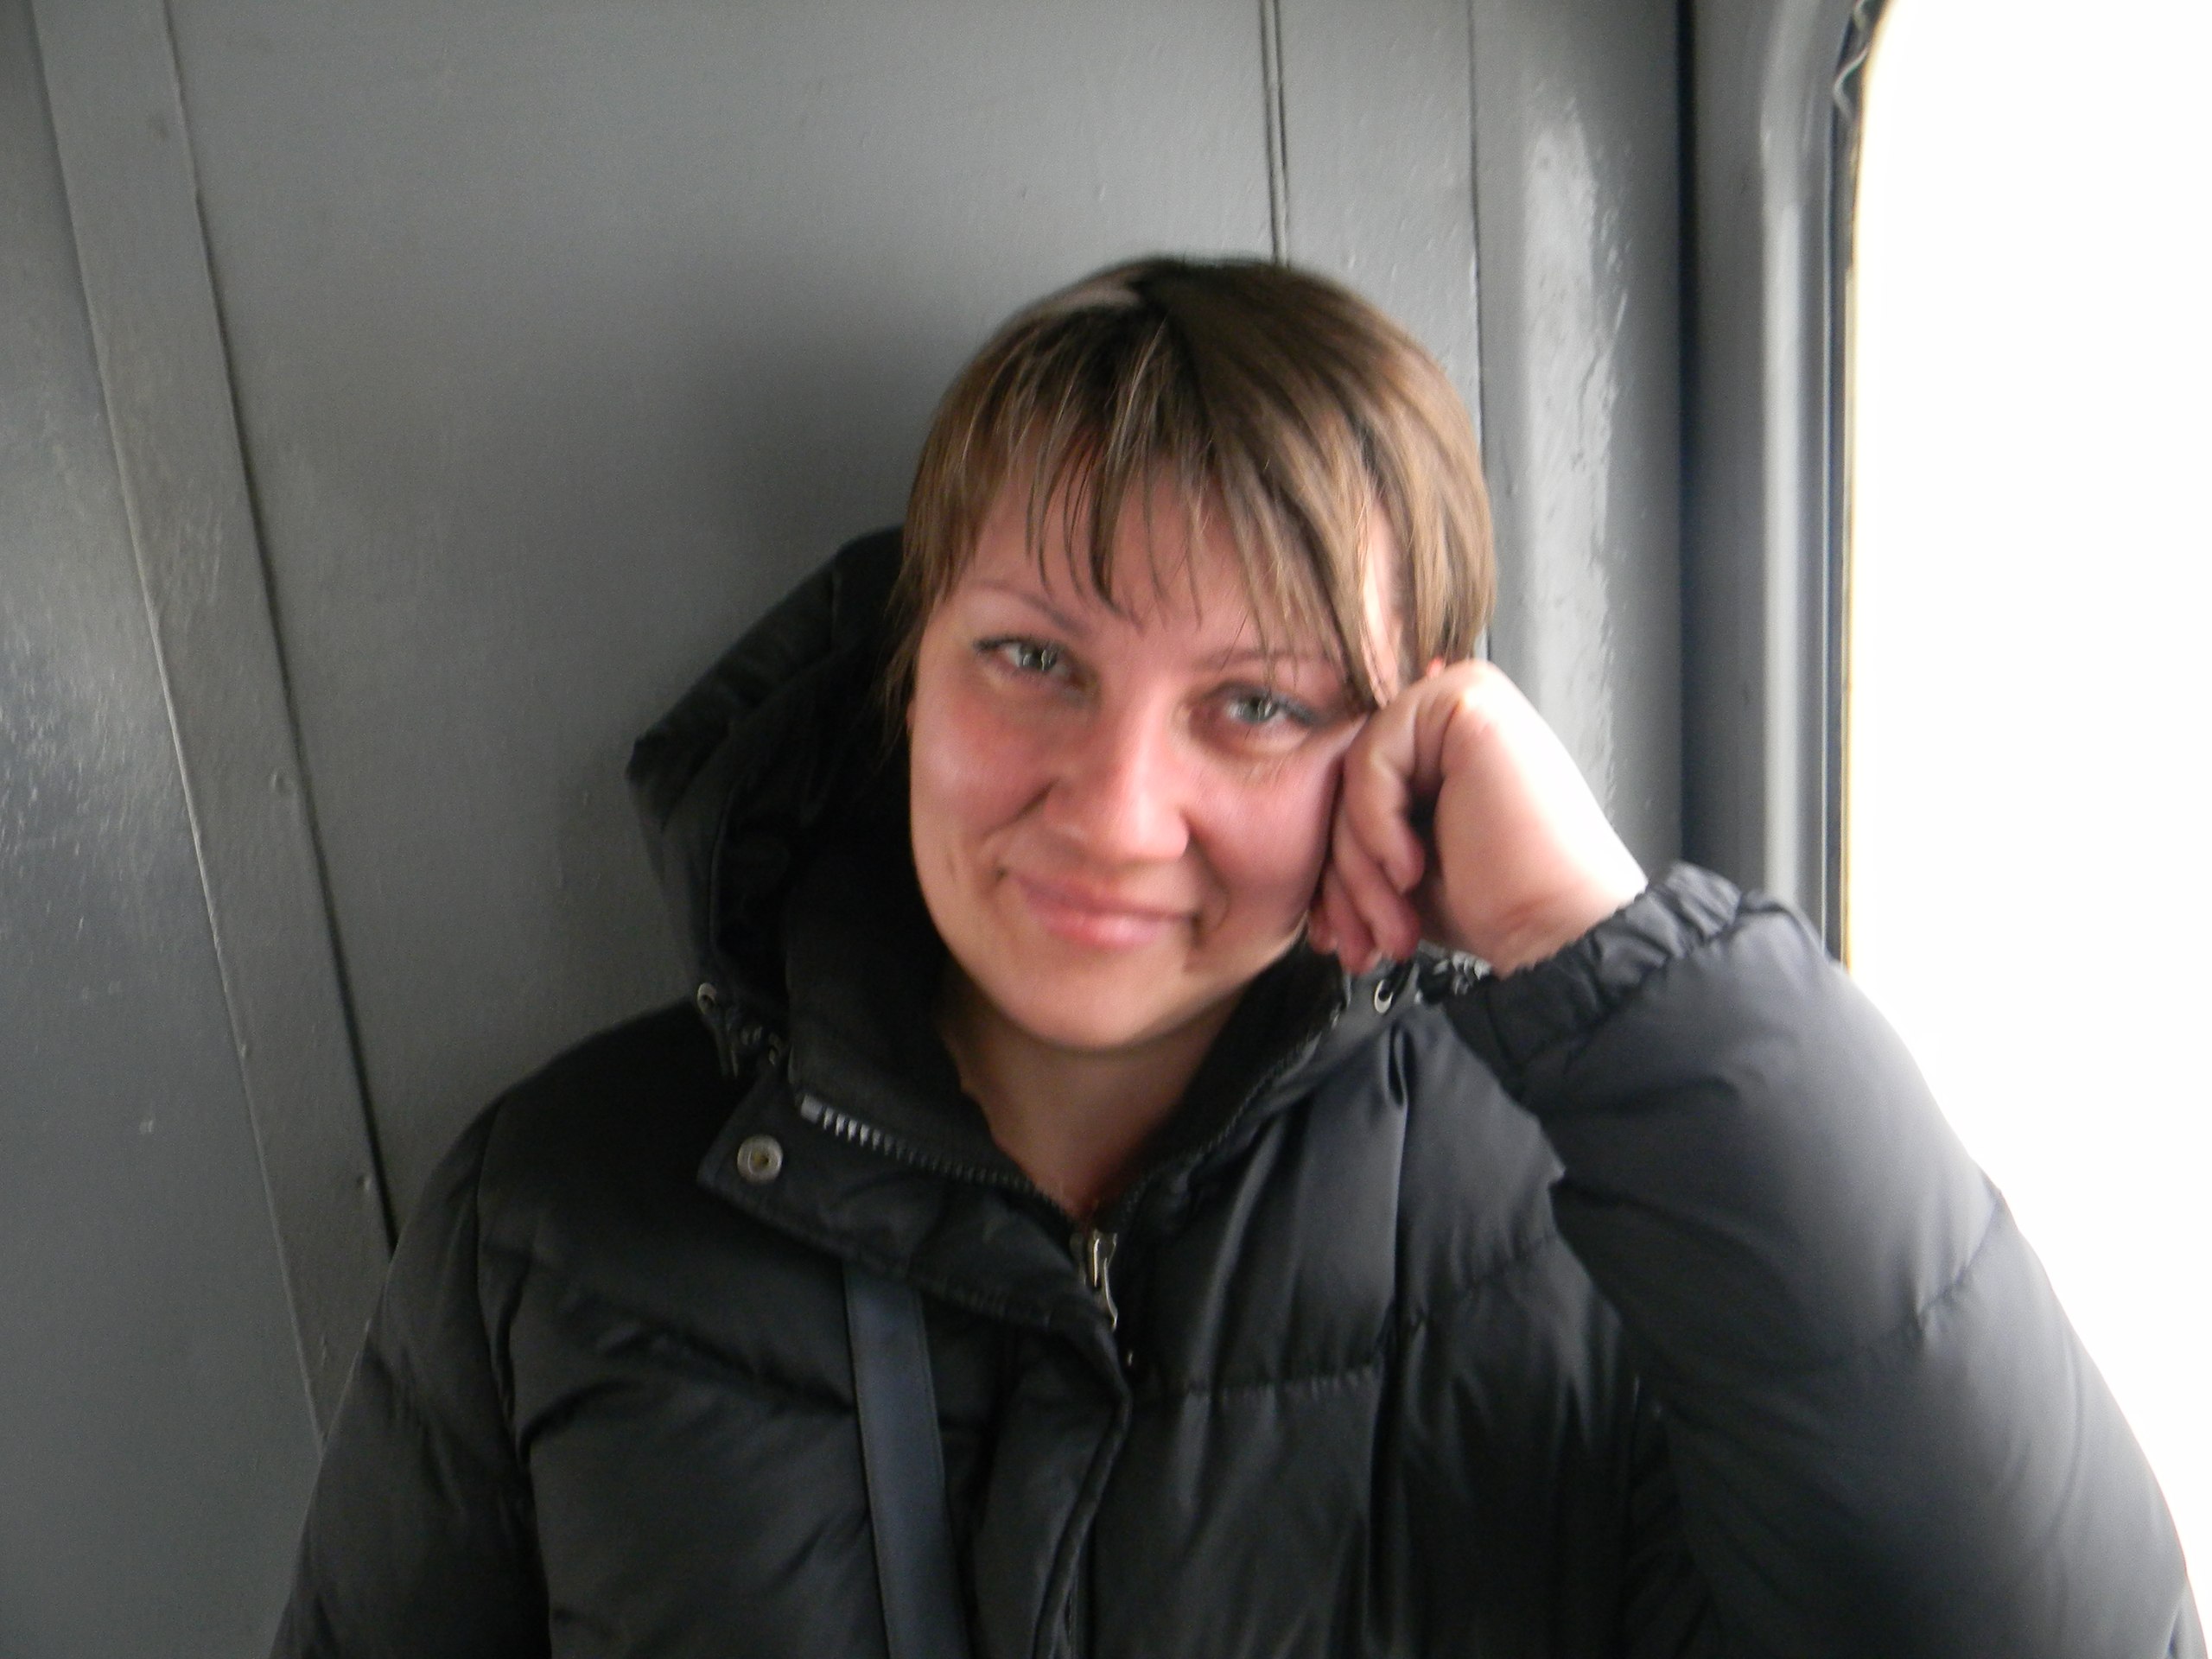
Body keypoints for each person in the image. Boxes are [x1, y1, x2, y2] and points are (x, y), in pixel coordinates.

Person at [272, 257, 2201, 1657]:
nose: (1118, 813)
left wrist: (1600, 954)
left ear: (1410, 740)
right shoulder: (553, 1219)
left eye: (1260, 705)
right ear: (909, 669)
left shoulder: (1601, 1234)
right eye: (1031, 658)